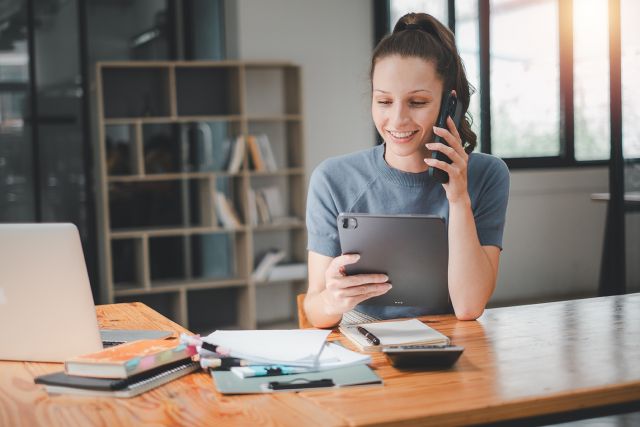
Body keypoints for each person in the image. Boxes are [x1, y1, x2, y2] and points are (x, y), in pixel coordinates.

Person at [303, 12, 510, 328]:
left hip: (454, 343)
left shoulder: (488, 175)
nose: (397, 120)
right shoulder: (332, 179)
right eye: (384, 102)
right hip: (365, 338)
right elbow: (315, 310)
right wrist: (332, 300)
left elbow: (469, 306)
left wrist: (458, 198)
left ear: (448, 105)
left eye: (416, 102)